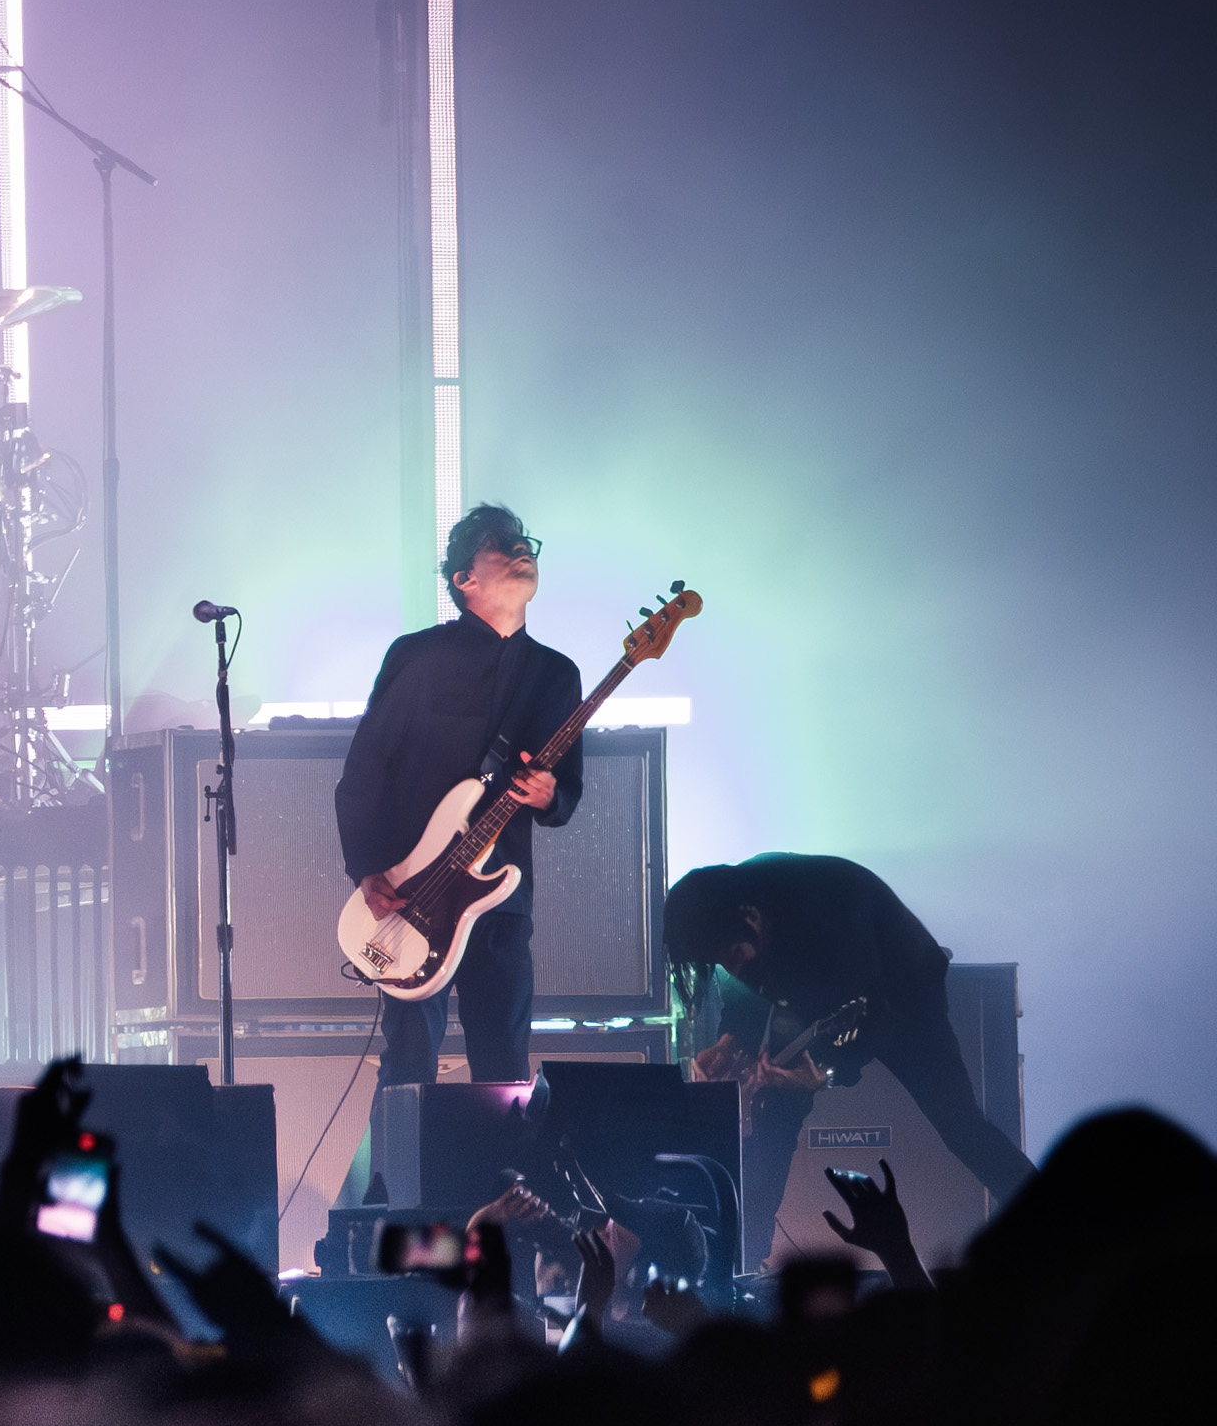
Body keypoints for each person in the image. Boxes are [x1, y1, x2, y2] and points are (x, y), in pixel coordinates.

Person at [667, 853, 1036, 1261]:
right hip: (823, 997)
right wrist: (729, 1042)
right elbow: (748, 995)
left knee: (958, 1122)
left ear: (748, 920)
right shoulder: (738, 913)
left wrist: (824, 1073)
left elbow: (871, 1011)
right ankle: (744, 1262)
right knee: (774, 1123)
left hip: (902, 995)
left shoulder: (822, 909)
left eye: (729, 954)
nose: (729, 964)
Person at [334, 505, 583, 1087]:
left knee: (504, 1066)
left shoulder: (556, 674)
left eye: (524, 541)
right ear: (463, 578)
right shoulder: (418, 655)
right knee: (410, 1064)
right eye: (501, 542)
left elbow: (566, 793)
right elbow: (365, 769)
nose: (521, 548)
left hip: (500, 897)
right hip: (412, 893)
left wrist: (549, 795)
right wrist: (367, 868)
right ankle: (400, 1153)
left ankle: (502, 1153)